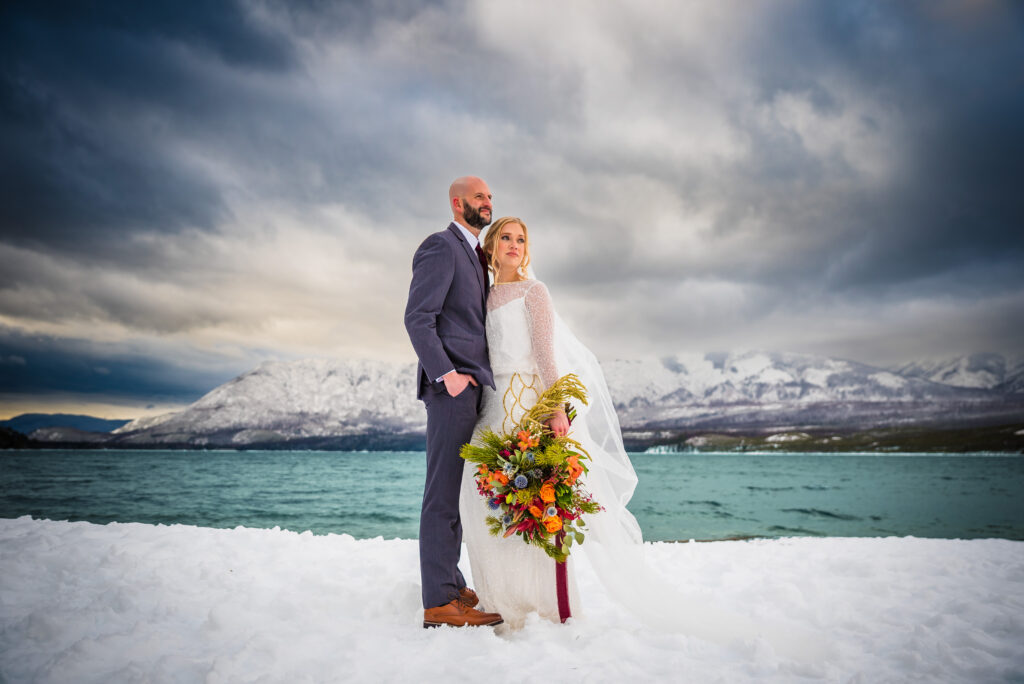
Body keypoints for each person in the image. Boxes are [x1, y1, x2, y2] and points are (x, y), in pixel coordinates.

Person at [404, 176, 504, 629]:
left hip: (473, 390)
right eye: (479, 196)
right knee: (441, 496)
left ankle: (450, 583)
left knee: (457, 496)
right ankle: (439, 603)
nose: (487, 202)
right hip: (451, 392)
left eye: (489, 196)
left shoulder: (476, 255)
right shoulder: (441, 246)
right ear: (457, 202)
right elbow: (417, 318)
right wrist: (449, 377)